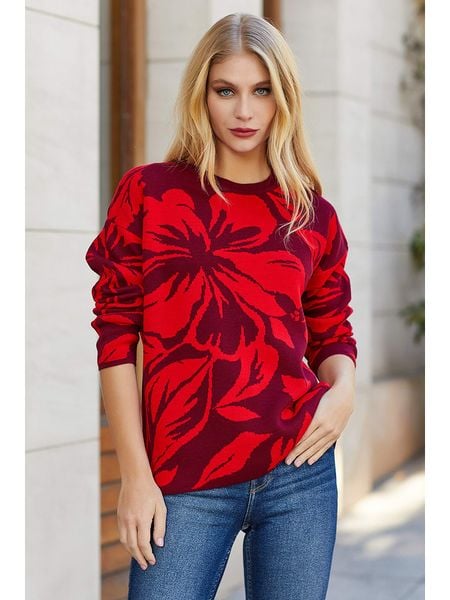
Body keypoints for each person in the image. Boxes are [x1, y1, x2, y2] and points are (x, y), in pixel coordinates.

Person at [85, 12, 357, 600]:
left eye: (262, 91)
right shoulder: (151, 194)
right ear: (201, 96)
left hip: (298, 474)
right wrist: (134, 475)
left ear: (283, 99)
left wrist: (344, 394)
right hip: (182, 475)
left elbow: (332, 331)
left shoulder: (310, 213)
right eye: (226, 91)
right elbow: (115, 335)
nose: (244, 111)